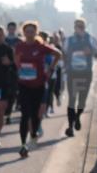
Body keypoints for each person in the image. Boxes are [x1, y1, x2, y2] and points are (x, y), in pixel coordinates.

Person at [13, 21, 61, 158]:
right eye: (27, 31)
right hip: (24, 84)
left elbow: (58, 54)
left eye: (32, 31)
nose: (29, 34)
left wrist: (50, 68)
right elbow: (16, 59)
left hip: (38, 84)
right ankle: (23, 144)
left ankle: (33, 135)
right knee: (25, 114)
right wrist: (20, 69)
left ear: (35, 32)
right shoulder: (19, 46)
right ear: (24, 32)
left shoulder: (41, 46)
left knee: (35, 115)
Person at [63, 17, 97, 136]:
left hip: (86, 74)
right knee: (72, 100)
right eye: (77, 26)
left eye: (82, 26)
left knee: (82, 100)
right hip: (72, 74)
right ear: (74, 27)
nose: (79, 28)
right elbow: (63, 54)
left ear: (85, 27)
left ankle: (77, 117)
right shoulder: (68, 40)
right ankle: (70, 127)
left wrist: (91, 51)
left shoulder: (91, 39)